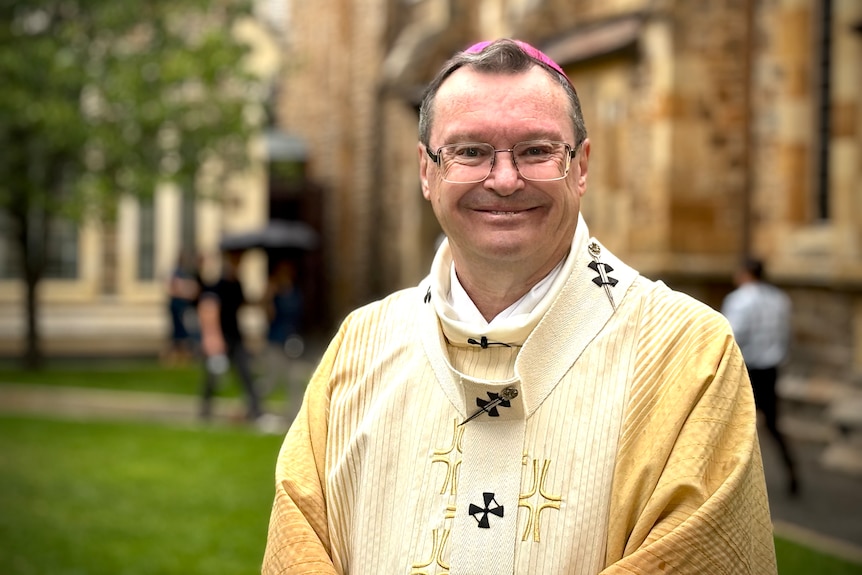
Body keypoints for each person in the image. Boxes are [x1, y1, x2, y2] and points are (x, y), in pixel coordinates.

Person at [262, 39, 777, 574]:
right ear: (426, 170)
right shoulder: (360, 348)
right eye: (469, 151)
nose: (504, 180)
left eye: (536, 151)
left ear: (581, 167)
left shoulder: (689, 356)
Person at [722, 257, 799, 496]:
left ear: (745, 272)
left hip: (747, 368)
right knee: (773, 425)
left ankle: (729, 482)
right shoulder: (779, 299)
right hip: (771, 368)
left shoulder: (739, 300)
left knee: (732, 426)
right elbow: (785, 333)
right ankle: (791, 472)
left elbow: (730, 335)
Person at [198, 249, 263, 423]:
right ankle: (204, 411)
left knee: (245, 373)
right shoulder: (218, 285)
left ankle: (256, 409)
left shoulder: (237, 284)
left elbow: (243, 304)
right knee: (212, 376)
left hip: (236, 336)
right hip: (222, 336)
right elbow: (209, 310)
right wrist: (213, 338)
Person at [257, 258, 306, 422]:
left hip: (291, 341)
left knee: (293, 379)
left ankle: (295, 415)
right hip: (275, 341)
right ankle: (255, 405)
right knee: (271, 378)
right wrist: (268, 296)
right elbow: (267, 315)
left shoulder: (295, 293)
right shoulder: (275, 293)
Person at [162, 250, 201, 364]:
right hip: (177, 307)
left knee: (182, 333)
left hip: (182, 307)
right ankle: (173, 356)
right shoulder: (177, 273)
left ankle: (181, 355)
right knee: (178, 333)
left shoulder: (183, 273)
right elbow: (176, 289)